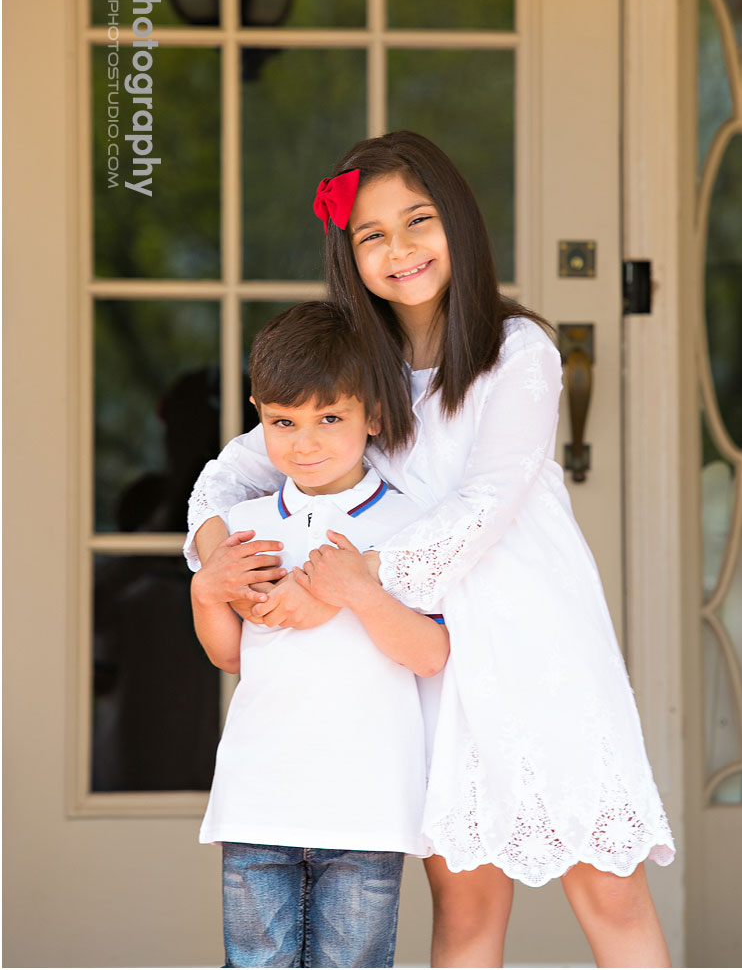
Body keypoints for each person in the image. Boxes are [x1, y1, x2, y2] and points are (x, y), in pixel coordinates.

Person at [186, 132, 675, 969]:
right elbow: (225, 478)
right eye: (372, 235)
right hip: (428, 653)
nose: (400, 250)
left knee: (608, 883)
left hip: (532, 637)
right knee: (465, 896)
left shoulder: (516, 352)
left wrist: (349, 580)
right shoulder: (354, 371)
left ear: (459, 222)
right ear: (349, 256)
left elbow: (487, 501)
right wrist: (216, 557)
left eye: (418, 222)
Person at [191, 300, 449, 969]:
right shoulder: (245, 525)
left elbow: (430, 653)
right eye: (282, 422)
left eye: (329, 418)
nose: (304, 442)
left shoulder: (412, 527)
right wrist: (205, 589)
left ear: (375, 414)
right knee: (255, 962)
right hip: (259, 797)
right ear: (257, 412)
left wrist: (358, 592)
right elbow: (229, 655)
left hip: (366, 803)